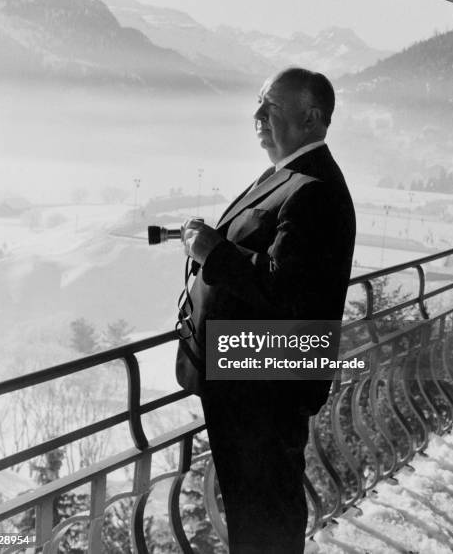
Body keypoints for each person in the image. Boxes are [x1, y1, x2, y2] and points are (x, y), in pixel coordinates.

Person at [176, 67, 356, 553]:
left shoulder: (314, 190)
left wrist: (214, 252)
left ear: (313, 117)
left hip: (265, 396)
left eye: (270, 107)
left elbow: (288, 292)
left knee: (265, 522)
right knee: (253, 515)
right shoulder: (286, 176)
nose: (256, 115)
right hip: (247, 384)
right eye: (258, 103)